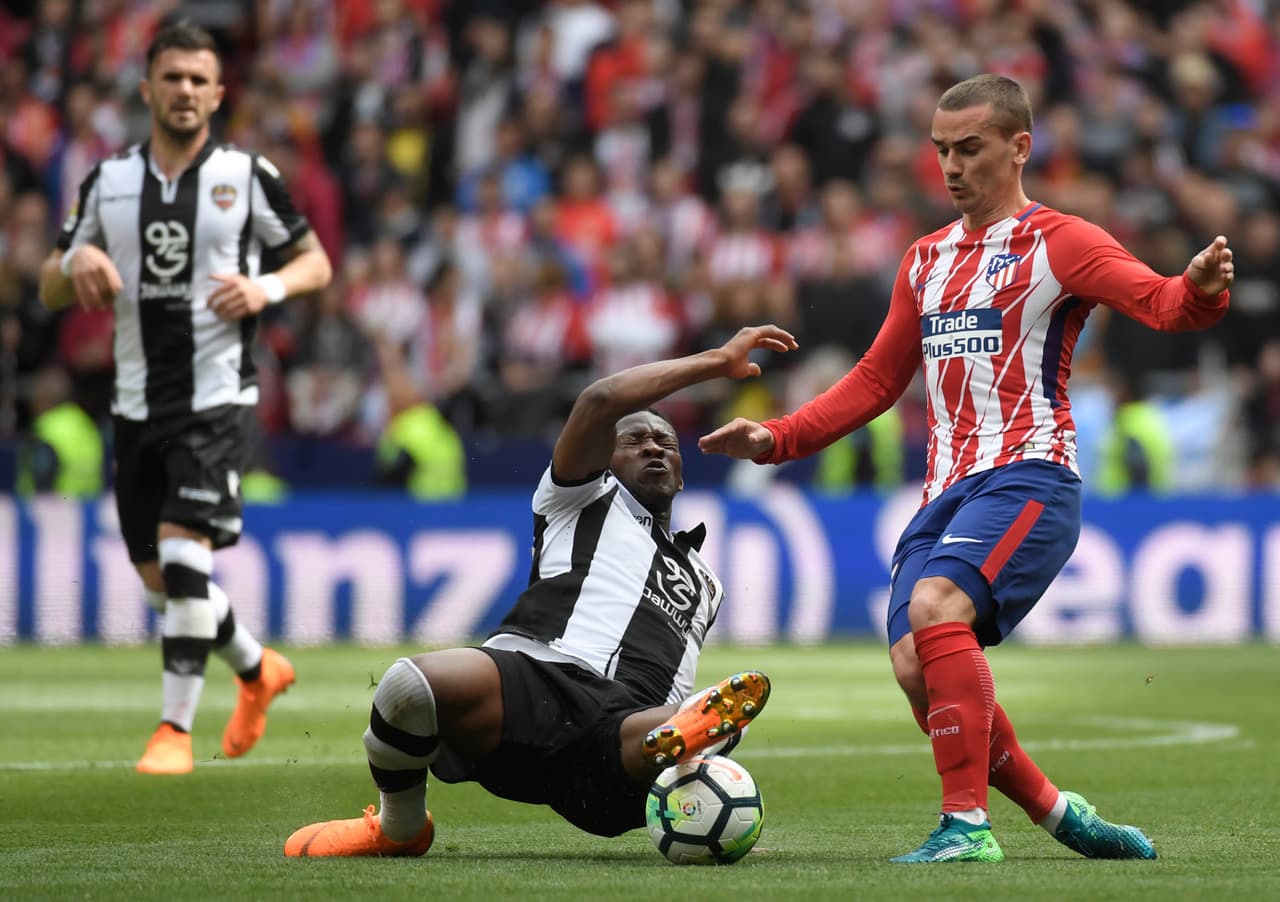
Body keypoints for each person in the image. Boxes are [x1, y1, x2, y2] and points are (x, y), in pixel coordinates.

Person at [700, 74, 1233, 863]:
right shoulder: (925, 260)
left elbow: (1162, 304)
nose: (951, 167)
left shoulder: (1062, 242)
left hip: (1031, 474)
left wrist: (1200, 291)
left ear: (1020, 148)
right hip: (944, 491)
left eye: (970, 149)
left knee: (936, 607)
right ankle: (1060, 814)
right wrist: (777, 440)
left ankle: (966, 826)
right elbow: (878, 382)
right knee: (918, 664)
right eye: (941, 150)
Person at [283, 324, 794, 857]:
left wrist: (674, 735)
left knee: (693, 716)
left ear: (683, 476)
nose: (653, 447)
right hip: (534, 683)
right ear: (604, 457)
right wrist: (715, 362)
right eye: (634, 440)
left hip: (618, 739)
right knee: (408, 685)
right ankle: (400, 828)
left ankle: (684, 739)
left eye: (666, 442)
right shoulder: (576, 497)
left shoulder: (706, 581)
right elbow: (598, 399)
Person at [37, 22, 334, 775]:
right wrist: (78, 257)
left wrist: (264, 285)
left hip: (215, 397)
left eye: (200, 80)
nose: (186, 91)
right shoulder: (110, 182)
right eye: (173, 78)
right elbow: (45, 282)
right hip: (135, 402)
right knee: (162, 580)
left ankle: (173, 730)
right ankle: (257, 667)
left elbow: (316, 264)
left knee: (180, 550)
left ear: (218, 93)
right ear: (147, 88)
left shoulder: (246, 175)